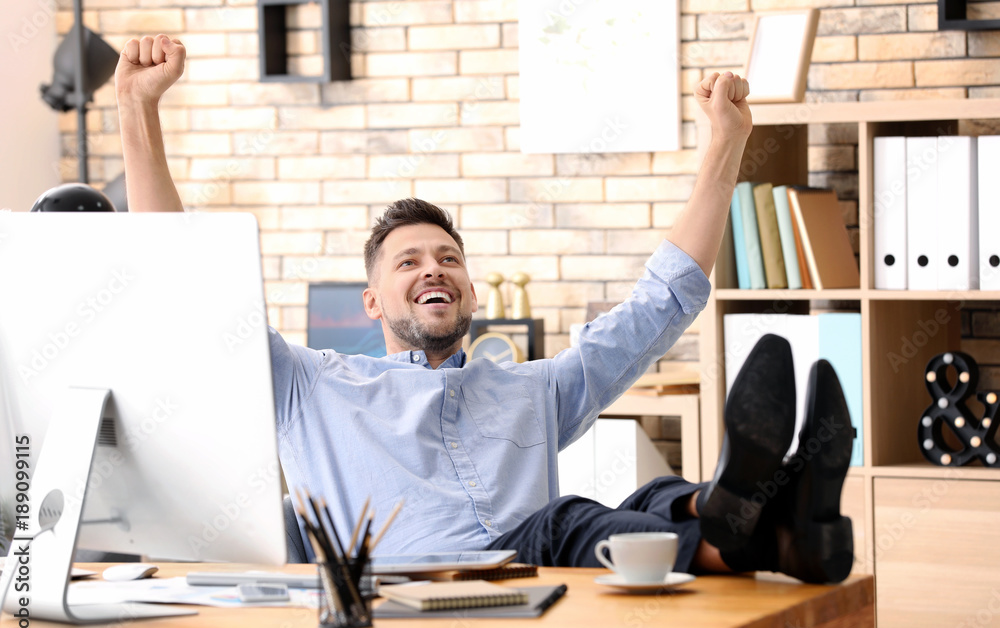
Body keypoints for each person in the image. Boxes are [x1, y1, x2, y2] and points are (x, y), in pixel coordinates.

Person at [114, 35, 855, 583]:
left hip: (532, 586)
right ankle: (767, 513)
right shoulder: (311, 384)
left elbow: (660, 302)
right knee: (567, 519)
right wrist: (135, 110)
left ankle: (777, 523)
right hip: (410, 598)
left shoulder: (533, 389)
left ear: (469, 289)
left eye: (448, 258)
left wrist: (726, 142)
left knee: (655, 496)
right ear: (371, 300)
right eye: (408, 261)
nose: (433, 267)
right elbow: (189, 289)